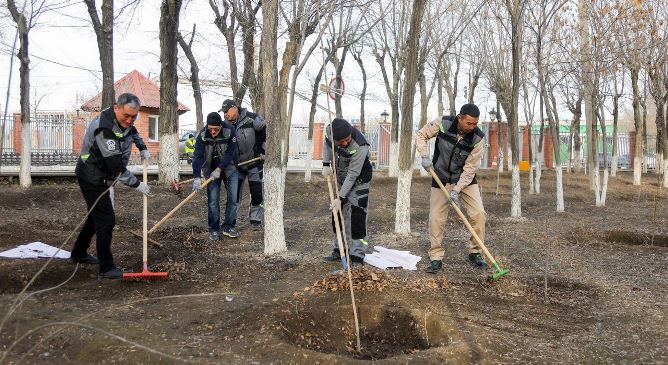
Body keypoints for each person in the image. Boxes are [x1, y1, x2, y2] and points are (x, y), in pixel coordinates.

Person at [71, 93, 151, 279]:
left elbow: (132, 131)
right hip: (91, 176)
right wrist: (137, 184)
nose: (130, 120)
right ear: (116, 108)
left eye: (134, 116)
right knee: (106, 220)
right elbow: (115, 167)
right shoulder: (104, 128)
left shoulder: (124, 120)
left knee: (95, 217)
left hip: (101, 174)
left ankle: (78, 253)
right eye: (126, 116)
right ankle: (106, 268)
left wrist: (142, 146)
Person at [415, 103, 488, 274]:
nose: (472, 127)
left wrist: (457, 189)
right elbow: (421, 135)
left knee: (479, 214)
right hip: (440, 176)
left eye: (475, 123)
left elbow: (470, 168)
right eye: (468, 123)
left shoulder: (478, 138)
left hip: (465, 180)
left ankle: (475, 252)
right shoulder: (443, 123)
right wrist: (424, 156)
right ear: (460, 118)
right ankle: (435, 257)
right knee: (436, 218)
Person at [321, 118, 373, 266]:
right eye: (341, 141)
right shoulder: (329, 133)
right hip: (340, 176)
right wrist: (326, 163)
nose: (344, 143)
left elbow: (353, 175)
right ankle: (340, 250)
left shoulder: (360, 145)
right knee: (337, 215)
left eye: (347, 140)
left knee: (357, 217)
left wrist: (341, 197)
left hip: (359, 180)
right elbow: (327, 144)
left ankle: (357, 256)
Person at [192, 112, 240, 240]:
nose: (213, 132)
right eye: (210, 129)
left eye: (216, 129)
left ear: (221, 126)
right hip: (211, 169)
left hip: (229, 168)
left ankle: (228, 226)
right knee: (213, 200)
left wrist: (219, 169)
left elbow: (230, 153)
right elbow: (197, 156)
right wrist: (197, 177)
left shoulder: (230, 131)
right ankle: (214, 229)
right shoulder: (202, 135)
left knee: (233, 199)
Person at [220, 99, 266, 230]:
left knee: (256, 193)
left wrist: (263, 151)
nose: (225, 115)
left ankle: (256, 219)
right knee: (233, 195)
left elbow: (267, 133)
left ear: (234, 108)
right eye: (223, 113)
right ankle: (230, 221)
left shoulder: (252, 119)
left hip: (254, 163)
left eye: (226, 111)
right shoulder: (226, 125)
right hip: (236, 167)